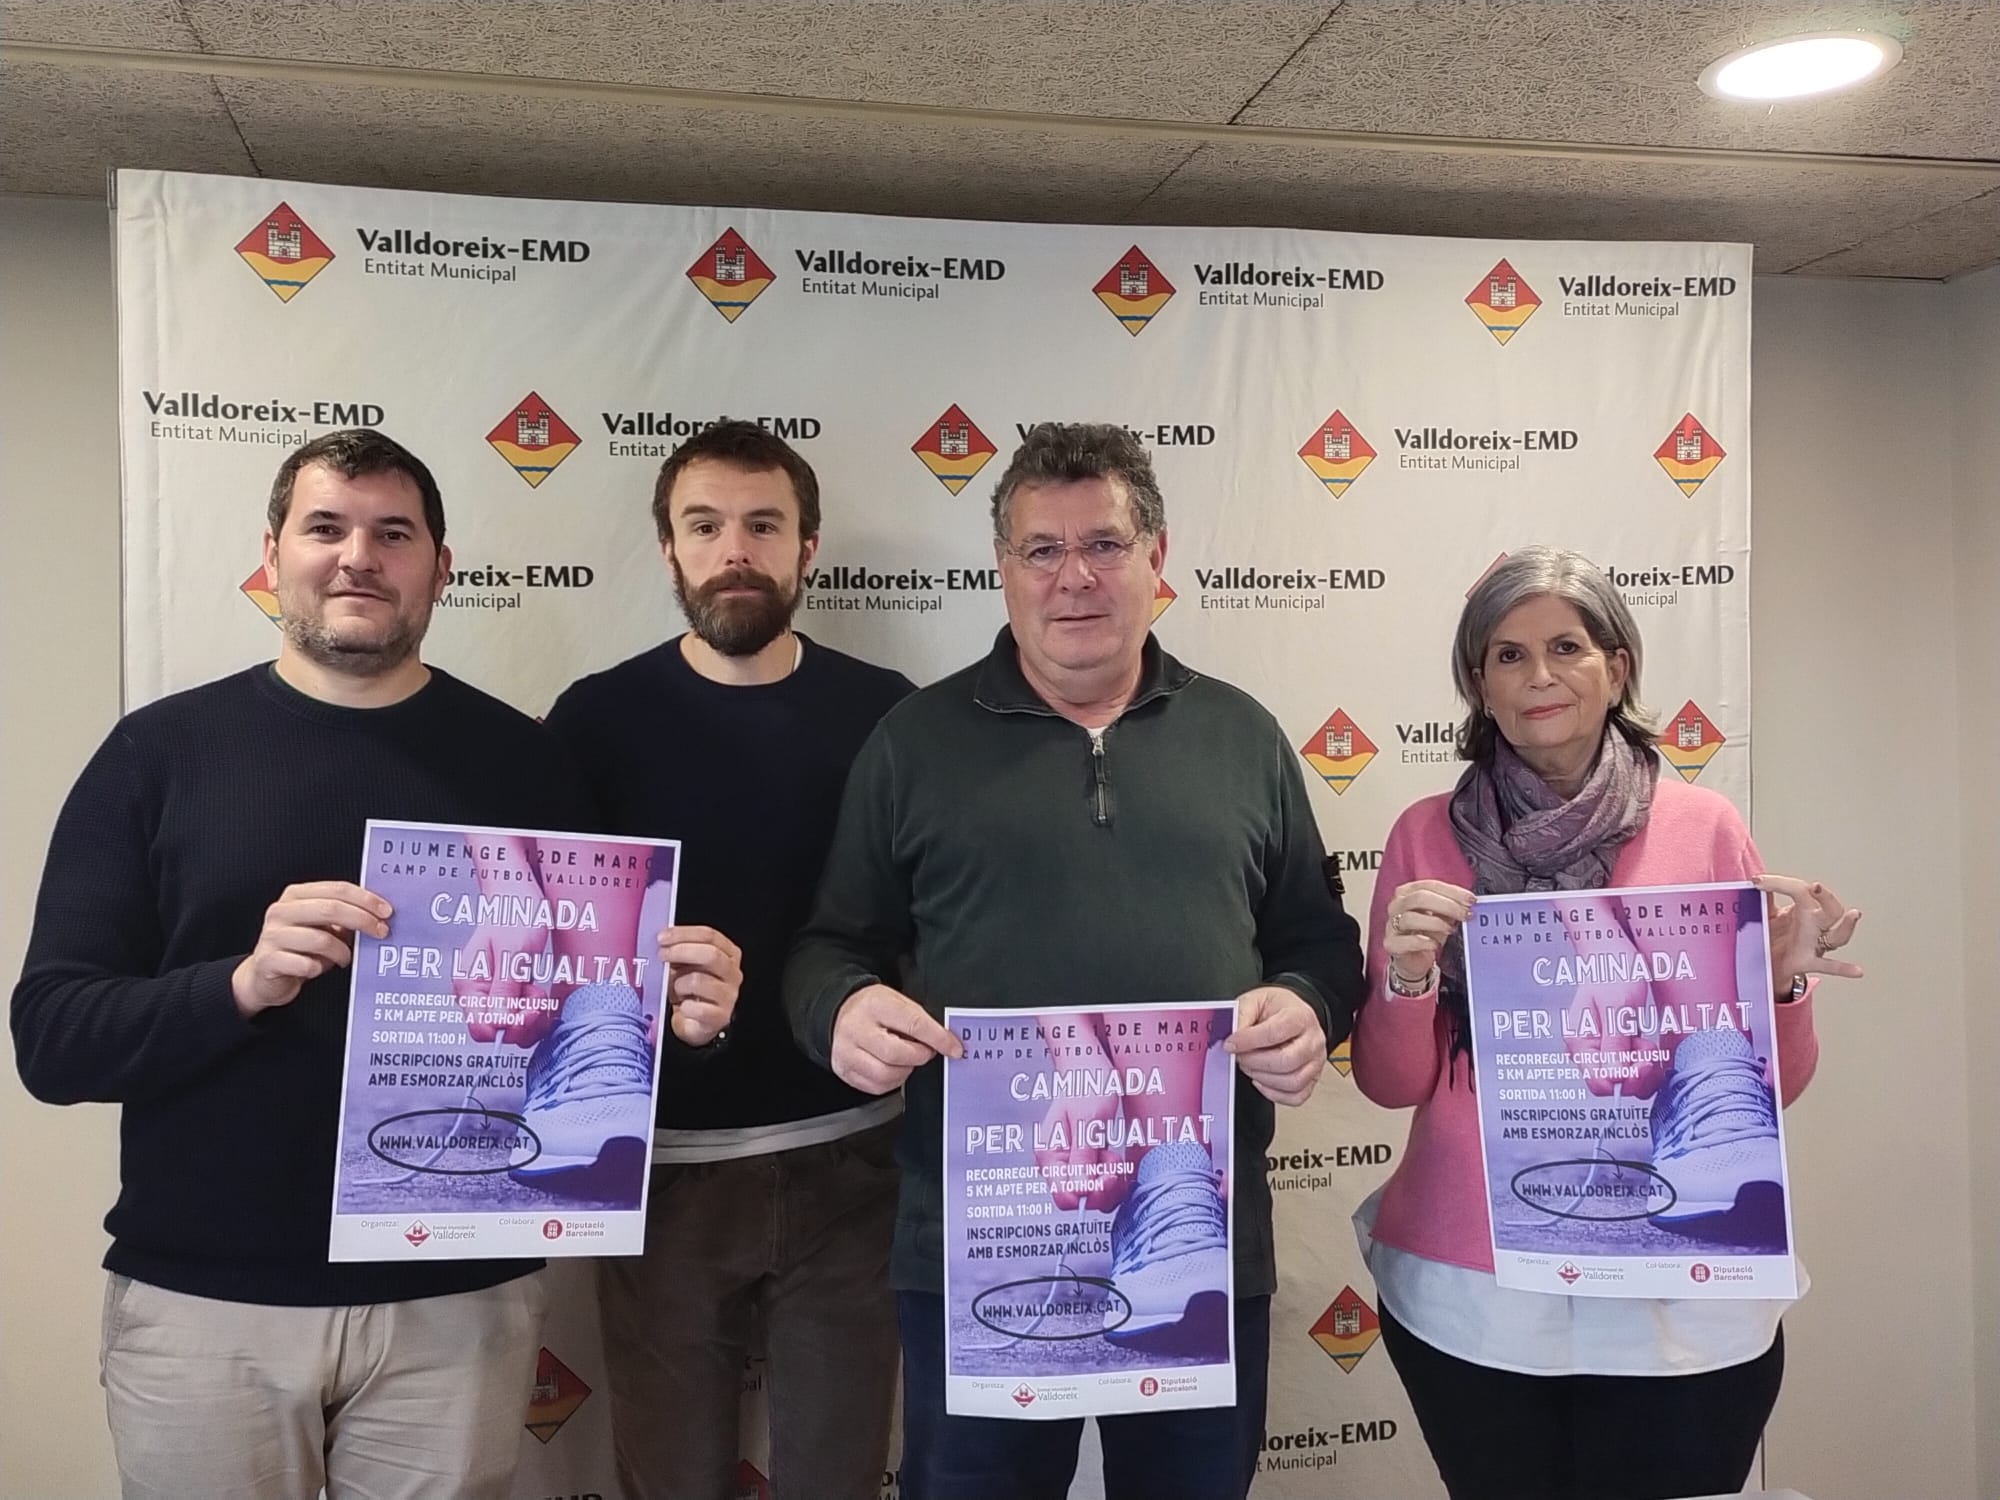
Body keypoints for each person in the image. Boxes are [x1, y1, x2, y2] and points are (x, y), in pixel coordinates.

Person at [11, 429, 597, 1499]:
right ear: (272, 553)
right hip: (208, 1302)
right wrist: (239, 983)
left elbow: (578, 1033)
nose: (357, 556)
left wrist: (657, 1014)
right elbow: (52, 1040)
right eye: (325, 527)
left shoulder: (527, 764)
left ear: (441, 566)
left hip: (455, 1296)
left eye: (393, 533)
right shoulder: (160, 754)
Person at [785, 422, 1366, 1500]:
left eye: (1102, 544)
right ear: (1002, 571)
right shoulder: (913, 742)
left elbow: (1316, 939)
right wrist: (842, 1009)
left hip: (1193, 1234)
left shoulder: (1242, 737)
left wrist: (1305, 1002)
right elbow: (829, 945)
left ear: (1156, 557)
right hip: (978, 1244)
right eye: (1040, 550)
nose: (1073, 579)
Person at [1350, 545, 1863, 1500]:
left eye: (1566, 646)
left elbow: (1769, 1095)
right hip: (1478, 1287)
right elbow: (1390, 1084)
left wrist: (1782, 993)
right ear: (1478, 685)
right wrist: (1407, 981)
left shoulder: (1704, 827)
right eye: (1507, 655)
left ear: (1616, 665)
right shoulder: (1425, 834)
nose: (1538, 675)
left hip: (1673, 1287)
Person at [543, 421, 913, 1500]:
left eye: (764, 524)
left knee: (838, 1480)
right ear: (667, 549)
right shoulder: (596, 721)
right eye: (704, 526)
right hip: (659, 1173)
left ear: (807, 548)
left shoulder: (884, 714)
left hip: (855, 1163)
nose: (734, 549)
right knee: (667, 1481)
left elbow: (925, 915)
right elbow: (553, 965)